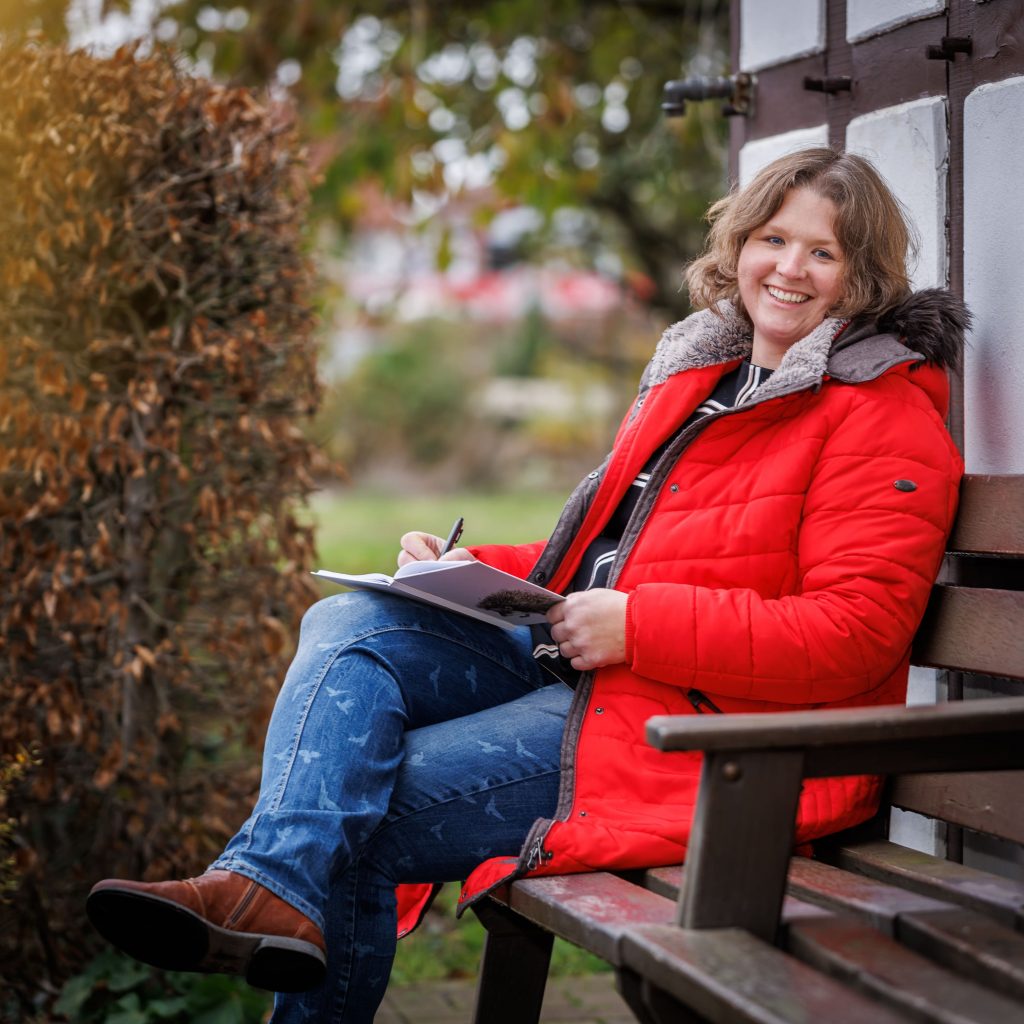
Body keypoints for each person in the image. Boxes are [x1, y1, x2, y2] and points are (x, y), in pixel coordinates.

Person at [86, 147, 968, 1022]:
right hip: (603, 675)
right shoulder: (709, 377)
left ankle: (260, 887)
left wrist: (640, 627)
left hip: (714, 737)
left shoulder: (881, 414)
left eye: (824, 252)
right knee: (351, 621)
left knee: (352, 811)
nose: (789, 268)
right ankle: (262, 886)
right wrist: (461, 572)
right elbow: (609, 557)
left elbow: (855, 634)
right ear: (739, 244)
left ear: (863, 277)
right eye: (773, 238)